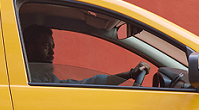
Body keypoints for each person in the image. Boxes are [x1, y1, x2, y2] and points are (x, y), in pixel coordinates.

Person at [22, 25, 150, 85]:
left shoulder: (46, 79)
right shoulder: (30, 79)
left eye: (52, 47)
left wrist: (130, 74)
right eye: (46, 46)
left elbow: (87, 83)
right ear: (30, 48)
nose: (52, 52)